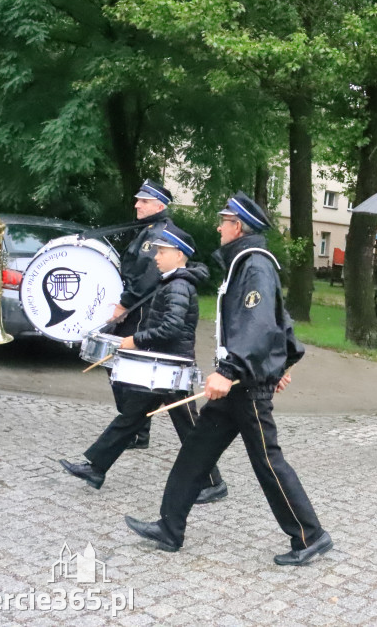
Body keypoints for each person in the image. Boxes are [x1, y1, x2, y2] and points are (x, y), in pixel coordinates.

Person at [125, 192, 332, 566]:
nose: (219, 227)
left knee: (268, 462)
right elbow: (276, 323)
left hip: (244, 385)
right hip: (240, 382)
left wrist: (231, 371)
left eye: (223, 221)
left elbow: (257, 325)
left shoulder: (254, 265)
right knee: (195, 452)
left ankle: (310, 535)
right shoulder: (245, 262)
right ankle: (170, 528)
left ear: (237, 227)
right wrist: (280, 364)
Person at [58, 226, 227, 504]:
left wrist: (135, 340)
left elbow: (171, 328)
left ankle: (213, 482)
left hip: (174, 367)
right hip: (161, 365)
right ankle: (96, 468)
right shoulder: (171, 281)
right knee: (131, 417)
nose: (156, 257)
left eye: (162, 252)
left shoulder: (179, 286)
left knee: (189, 428)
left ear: (180, 255)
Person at [110, 179, 176, 450]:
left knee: (125, 366)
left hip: (141, 311)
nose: (137, 204)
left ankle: (135, 429)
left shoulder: (158, 234)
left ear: (159, 205)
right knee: (122, 366)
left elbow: (147, 277)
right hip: (139, 308)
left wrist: (123, 305)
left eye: (144, 201)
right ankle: (136, 429)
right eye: (138, 199)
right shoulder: (149, 229)